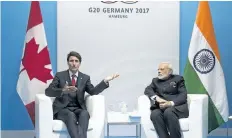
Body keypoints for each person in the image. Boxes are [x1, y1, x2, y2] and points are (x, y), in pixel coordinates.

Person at [45, 51, 119, 138]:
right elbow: (48, 91)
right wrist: (62, 90)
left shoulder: (85, 78)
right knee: (70, 115)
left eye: (76, 61)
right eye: (71, 61)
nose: (74, 63)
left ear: (79, 63)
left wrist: (105, 81)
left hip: (78, 108)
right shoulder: (60, 75)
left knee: (84, 114)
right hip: (62, 109)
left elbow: (93, 91)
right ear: (67, 62)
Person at [144, 62, 189, 138]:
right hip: (161, 107)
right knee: (155, 114)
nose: (159, 71)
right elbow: (148, 90)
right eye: (158, 69)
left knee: (168, 112)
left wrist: (170, 103)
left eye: (162, 69)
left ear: (169, 71)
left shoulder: (178, 79)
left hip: (177, 107)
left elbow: (183, 95)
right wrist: (157, 98)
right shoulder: (155, 81)